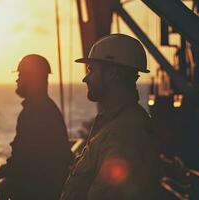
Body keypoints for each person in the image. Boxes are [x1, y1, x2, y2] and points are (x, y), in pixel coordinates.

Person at [60, 34, 161, 200]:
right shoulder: (116, 123)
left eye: (91, 70)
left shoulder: (125, 133)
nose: (85, 78)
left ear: (112, 73)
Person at [0, 54, 72, 200]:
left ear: (32, 79)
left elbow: (23, 159)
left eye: (21, 75)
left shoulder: (34, 113)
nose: (17, 80)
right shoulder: (48, 108)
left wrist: (1, 173)